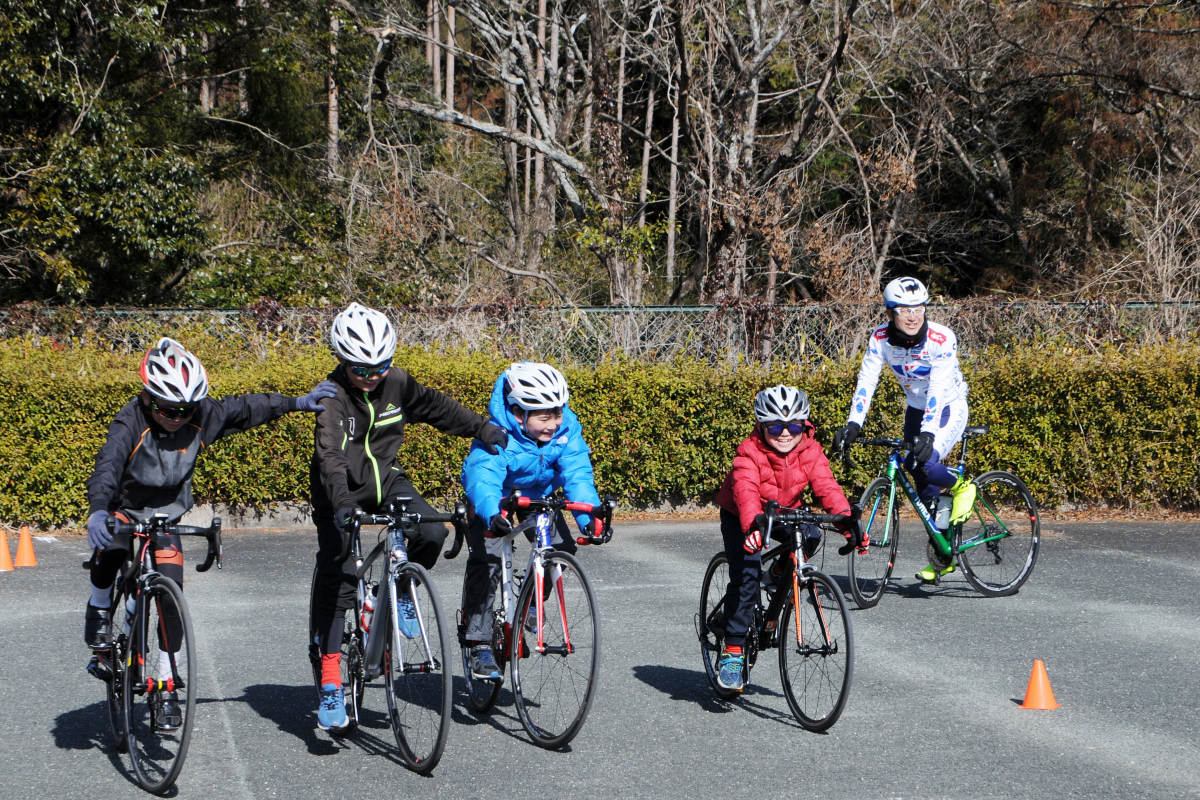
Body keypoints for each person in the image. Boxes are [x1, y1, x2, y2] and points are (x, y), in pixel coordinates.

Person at [84, 337, 336, 728]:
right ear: (149, 398)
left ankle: (167, 681)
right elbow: (107, 466)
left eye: (185, 410)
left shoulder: (202, 414)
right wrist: (99, 510)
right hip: (125, 506)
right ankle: (100, 607)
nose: (177, 417)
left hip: (166, 513)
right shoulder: (129, 421)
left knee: (171, 592)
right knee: (112, 547)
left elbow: (247, 408)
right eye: (168, 409)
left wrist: (296, 402)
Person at [309, 302, 508, 731]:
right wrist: (343, 506)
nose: (372, 375)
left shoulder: (396, 382)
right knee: (340, 578)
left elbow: (435, 407)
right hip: (338, 495)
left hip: (387, 484)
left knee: (432, 531)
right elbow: (329, 459)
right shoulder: (332, 400)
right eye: (361, 368)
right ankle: (329, 676)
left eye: (380, 366)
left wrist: (480, 428)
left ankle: (397, 591)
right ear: (343, 362)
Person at [712, 385, 862, 693]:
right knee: (746, 579)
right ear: (761, 426)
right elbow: (745, 491)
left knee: (811, 534)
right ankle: (733, 651)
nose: (784, 433)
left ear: (804, 425)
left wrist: (849, 525)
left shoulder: (811, 450)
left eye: (793, 426)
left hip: (784, 510)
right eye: (775, 426)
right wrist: (753, 528)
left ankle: (779, 574)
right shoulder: (749, 452)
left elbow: (826, 487)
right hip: (743, 514)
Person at [458, 361, 602, 682]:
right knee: (489, 559)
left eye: (558, 412)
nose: (554, 423)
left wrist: (589, 516)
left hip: (539, 494)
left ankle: (531, 604)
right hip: (497, 497)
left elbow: (577, 472)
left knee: (562, 546)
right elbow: (483, 476)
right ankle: (479, 642)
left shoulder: (567, 428)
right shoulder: (498, 432)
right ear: (518, 413)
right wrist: (492, 513)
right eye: (544, 416)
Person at [832, 276, 976, 583]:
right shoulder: (880, 338)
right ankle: (943, 551)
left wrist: (928, 433)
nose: (912, 316)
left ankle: (962, 485)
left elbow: (937, 387)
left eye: (919, 308)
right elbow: (867, 381)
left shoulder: (942, 338)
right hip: (915, 407)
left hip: (949, 406)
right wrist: (854, 423)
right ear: (890, 313)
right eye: (903, 309)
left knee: (928, 459)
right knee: (914, 468)